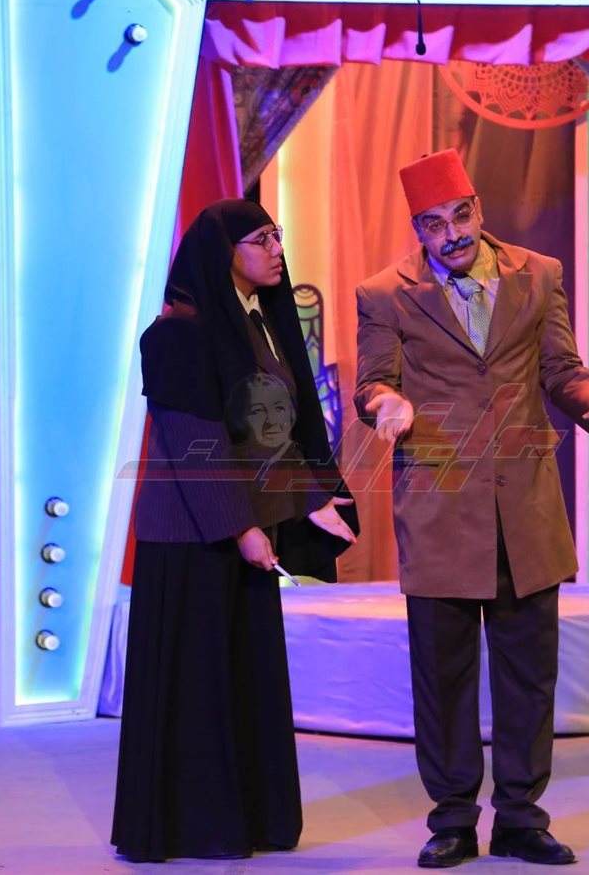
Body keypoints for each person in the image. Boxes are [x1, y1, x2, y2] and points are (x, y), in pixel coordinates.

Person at [354, 149, 589, 868]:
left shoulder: (538, 274)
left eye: (460, 216)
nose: (451, 233)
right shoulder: (385, 294)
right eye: (433, 224)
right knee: (443, 676)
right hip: (440, 509)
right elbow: (371, 383)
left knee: (528, 675)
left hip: (525, 507)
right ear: (417, 230)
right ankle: (452, 819)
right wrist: (386, 404)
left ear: (478, 209)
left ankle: (520, 817)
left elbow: (562, 370)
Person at [112, 199, 359, 862]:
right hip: (193, 537)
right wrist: (243, 529)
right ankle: (194, 826)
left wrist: (311, 499)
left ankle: (248, 818)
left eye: (279, 236)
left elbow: (266, 433)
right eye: (262, 239)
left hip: (247, 528)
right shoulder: (178, 333)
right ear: (225, 252)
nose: (278, 249)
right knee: (198, 684)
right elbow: (196, 446)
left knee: (242, 681)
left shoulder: (255, 324)